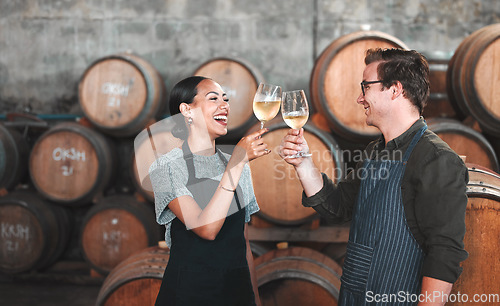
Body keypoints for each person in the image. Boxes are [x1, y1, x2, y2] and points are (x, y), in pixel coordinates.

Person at [279, 48, 468, 305]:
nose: (360, 98)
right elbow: (338, 208)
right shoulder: (374, 151)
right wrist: (303, 164)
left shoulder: (437, 159)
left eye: (365, 87)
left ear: (395, 90)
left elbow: (444, 253)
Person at [149, 76, 268, 306]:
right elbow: (206, 229)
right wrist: (236, 164)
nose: (225, 105)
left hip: (237, 293)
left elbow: (242, 242)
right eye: (213, 98)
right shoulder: (166, 167)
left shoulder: (237, 164)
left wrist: (256, 299)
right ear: (186, 111)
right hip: (190, 294)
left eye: (226, 99)